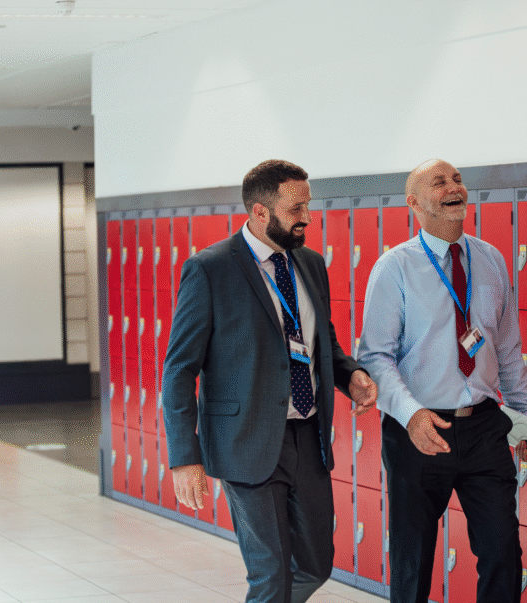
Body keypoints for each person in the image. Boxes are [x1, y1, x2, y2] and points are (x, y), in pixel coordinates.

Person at [161, 159, 378, 603]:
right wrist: (185, 457)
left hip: (308, 438)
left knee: (316, 566)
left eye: (308, 206)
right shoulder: (211, 269)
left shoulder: (311, 264)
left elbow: (322, 341)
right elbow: (179, 369)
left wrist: (350, 374)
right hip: (246, 441)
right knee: (271, 574)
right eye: (296, 209)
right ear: (260, 212)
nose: (307, 218)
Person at [357, 159, 527, 603]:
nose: (454, 187)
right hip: (419, 430)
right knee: (413, 559)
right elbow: (375, 357)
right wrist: (410, 415)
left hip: (484, 428)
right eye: (439, 182)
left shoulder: (491, 259)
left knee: (502, 552)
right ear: (415, 203)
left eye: (457, 179)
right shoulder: (395, 267)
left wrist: (525, 418)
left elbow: (507, 347)